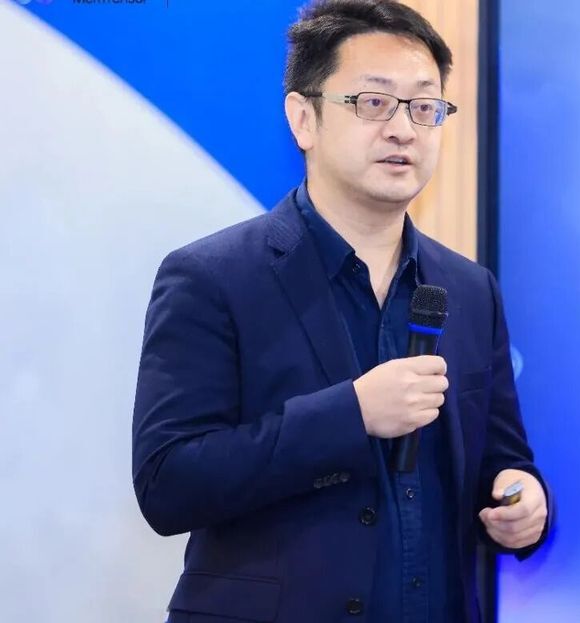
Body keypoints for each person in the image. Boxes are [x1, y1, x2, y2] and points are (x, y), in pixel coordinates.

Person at [132, 1, 553, 621]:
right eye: (374, 102)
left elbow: (501, 459)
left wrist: (522, 501)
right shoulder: (212, 277)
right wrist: (351, 415)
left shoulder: (470, 290)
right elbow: (168, 483)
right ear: (304, 118)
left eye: (425, 106)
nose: (404, 130)